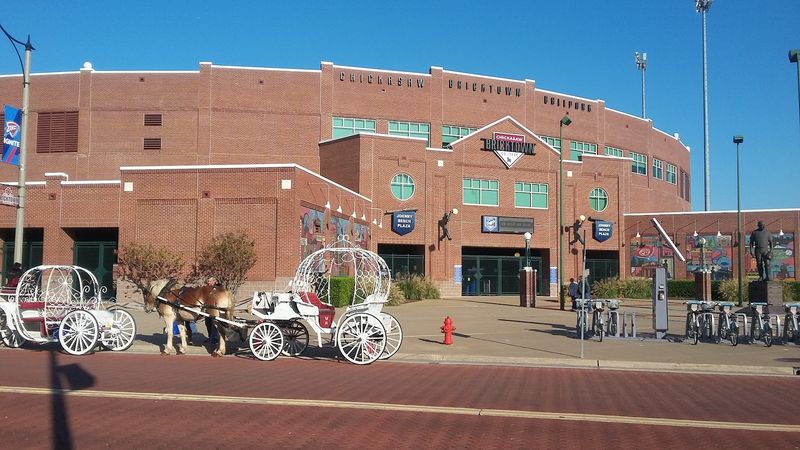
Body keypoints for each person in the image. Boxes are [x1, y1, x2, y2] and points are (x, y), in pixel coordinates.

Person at [203, 277, 221, 344]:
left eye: (210, 281)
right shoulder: (207, 289)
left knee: (214, 324)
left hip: (215, 309)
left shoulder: (217, 288)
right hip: (208, 308)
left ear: (214, 281)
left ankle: (215, 338)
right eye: (208, 281)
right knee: (208, 323)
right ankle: (210, 336)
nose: (208, 282)